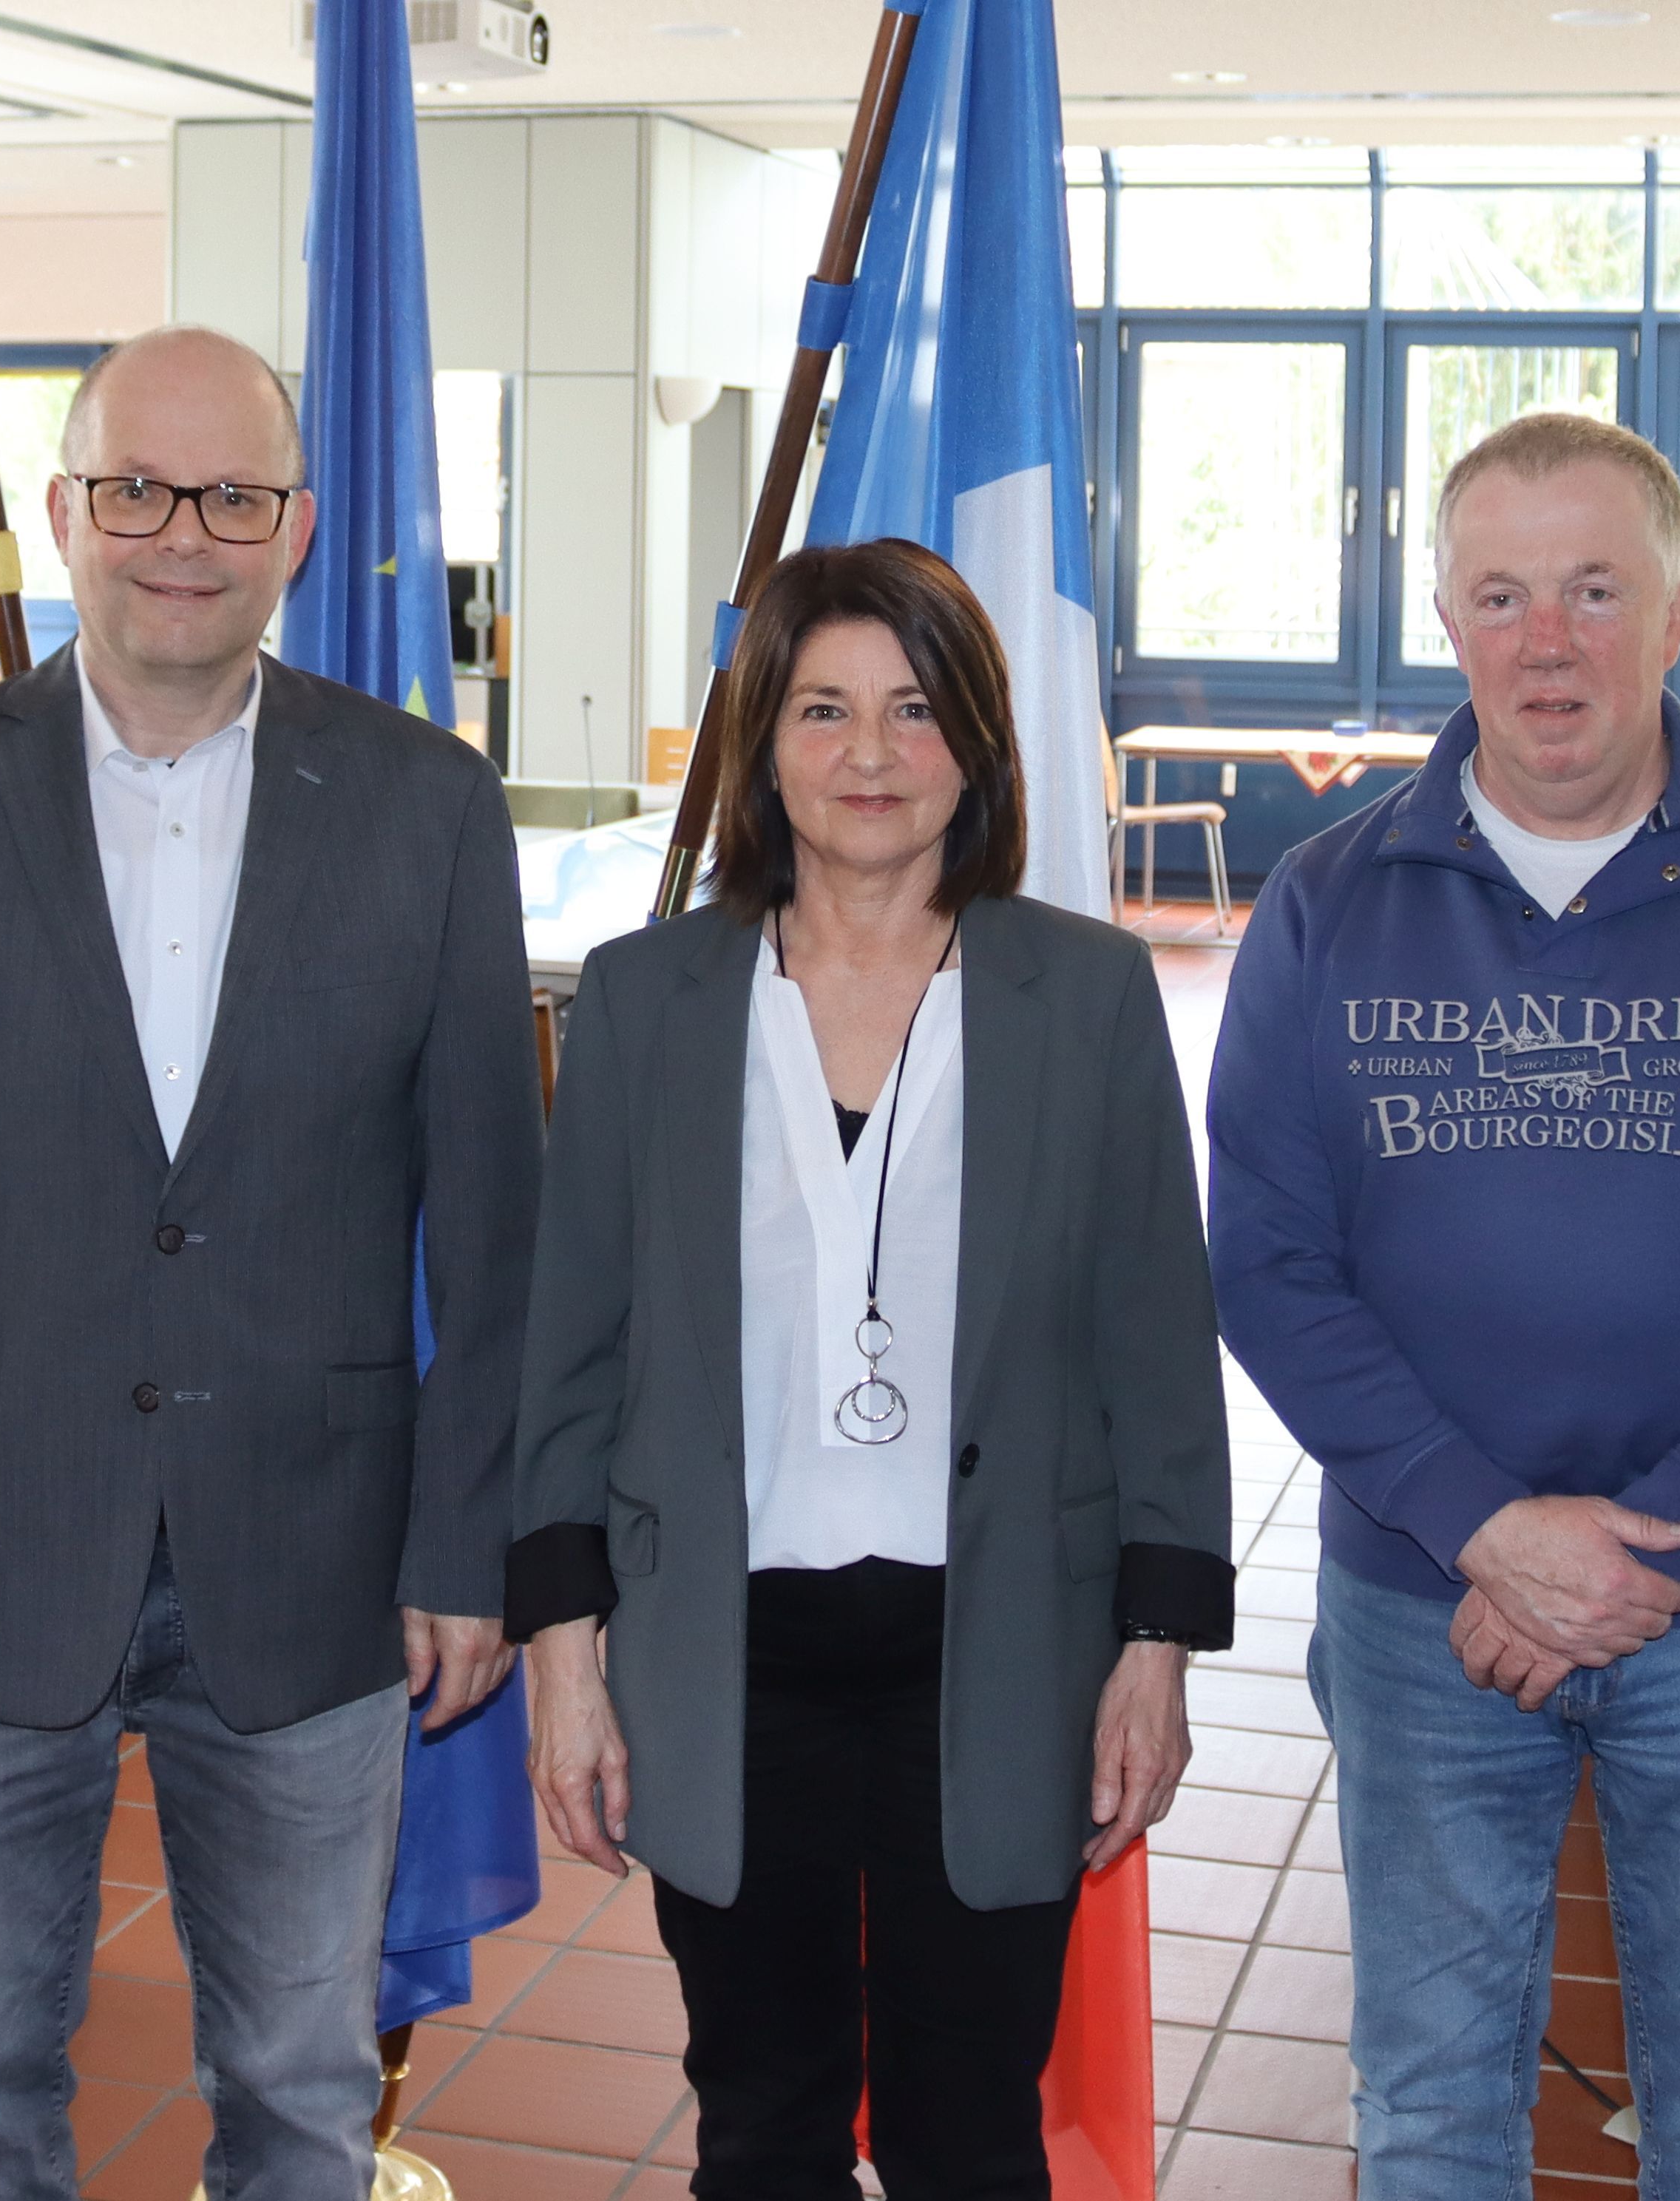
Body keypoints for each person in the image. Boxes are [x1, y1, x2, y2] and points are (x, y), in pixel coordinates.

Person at [0, 324, 541, 2201]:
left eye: (233, 496)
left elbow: (496, 1222)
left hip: (317, 1555)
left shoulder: (427, 804)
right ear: (62, 512)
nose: (182, 534)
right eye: (135, 489)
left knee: (299, 2096)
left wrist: (463, 1547)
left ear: (299, 528)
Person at [512, 538, 1231, 2201]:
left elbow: (1155, 1340)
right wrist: (563, 1658)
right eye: (823, 708)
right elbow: (571, 1352)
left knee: (967, 2136)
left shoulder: (1086, 996)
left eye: (915, 709)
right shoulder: (645, 1001)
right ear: (762, 742)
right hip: (726, 1648)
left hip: (1001, 1643)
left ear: (976, 743)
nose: (870, 754)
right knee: (761, 2126)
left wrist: (1156, 1647)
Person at [1205, 412, 1680, 2197]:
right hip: (1422, 1607)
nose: (1547, 641)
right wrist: (1484, 1526)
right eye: (1500, 595)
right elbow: (1265, 1257)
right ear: (1446, 619)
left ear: (1676, 613)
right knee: (1427, 2116)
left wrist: (1656, 1540)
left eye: (1594, 589)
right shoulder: (1327, 902)